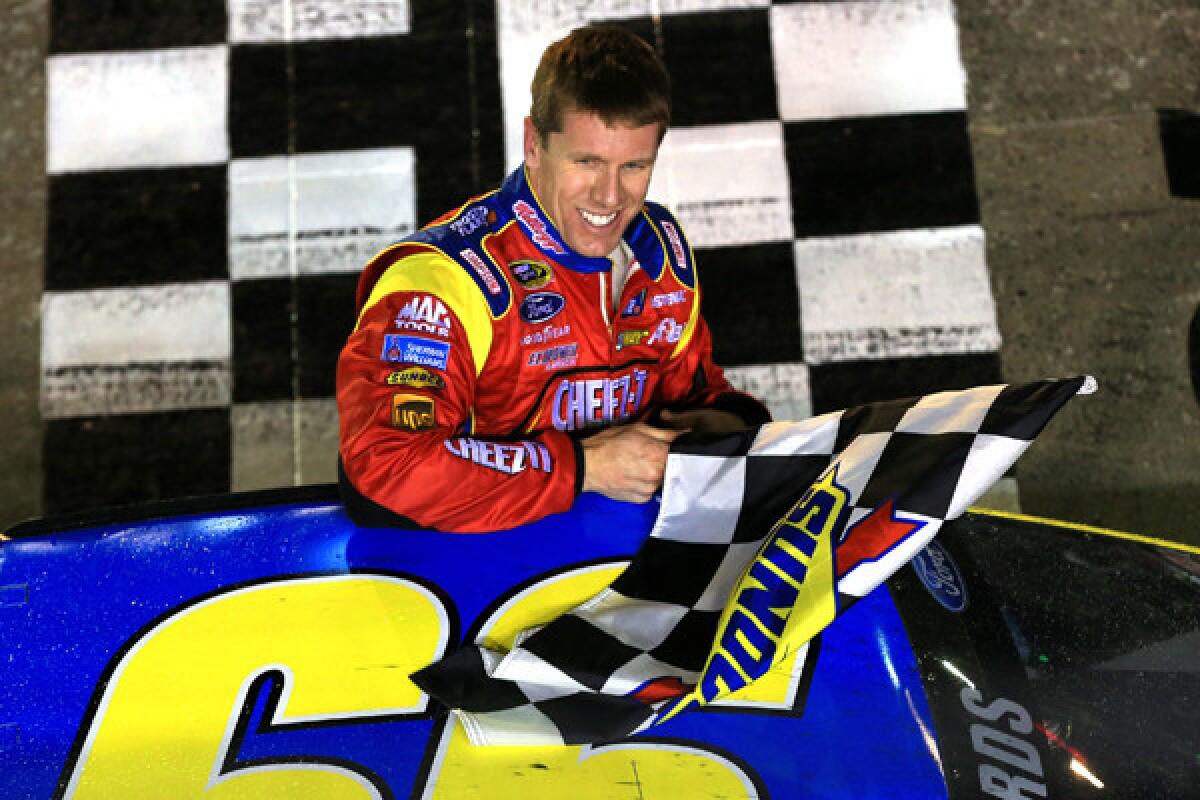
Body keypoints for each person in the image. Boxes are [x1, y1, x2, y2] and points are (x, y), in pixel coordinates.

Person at [335, 24, 770, 532]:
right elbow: (385, 467)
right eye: (588, 162)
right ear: (534, 144)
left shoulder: (661, 253)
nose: (610, 197)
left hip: (621, 579)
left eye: (634, 166)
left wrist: (723, 426)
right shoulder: (442, 280)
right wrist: (586, 469)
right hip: (470, 586)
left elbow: (696, 392)